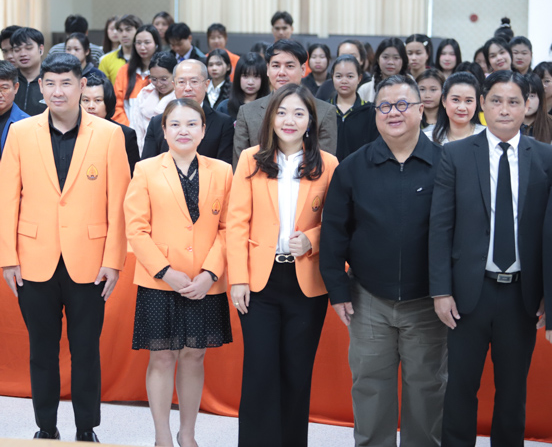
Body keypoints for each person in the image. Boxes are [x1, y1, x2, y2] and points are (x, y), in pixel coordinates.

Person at [0, 53, 130, 442]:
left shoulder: (109, 134)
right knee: (41, 350)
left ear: (82, 86)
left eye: (66, 83)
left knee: (86, 349)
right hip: (33, 259)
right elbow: (8, 199)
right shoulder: (21, 132)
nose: (58, 91)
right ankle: (46, 427)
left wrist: (113, 261)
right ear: (40, 87)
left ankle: (86, 428)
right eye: (50, 83)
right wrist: (8, 258)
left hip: (90, 261)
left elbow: (118, 204)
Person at [321, 74, 446, 447]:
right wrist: (338, 290)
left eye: (403, 104)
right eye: (385, 106)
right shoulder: (353, 167)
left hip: (428, 301)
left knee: (427, 387)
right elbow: (334, 232)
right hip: (368, 299)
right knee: (370, 387)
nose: (394, 112)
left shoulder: (446, 165)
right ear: (375, 112)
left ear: (421, 110)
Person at [429, 70, 552, 447]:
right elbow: (440, 226)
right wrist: (440, 291)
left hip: (521, 295)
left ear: (527, 106)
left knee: (513, 392)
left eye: (514, 102)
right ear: (482, 103)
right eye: (496, 101)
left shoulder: (545, 157)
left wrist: (548, 295)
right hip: (469, 292)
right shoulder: (456, 154)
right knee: (460, 388)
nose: (504, 109)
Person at [228, 84, 338, 447]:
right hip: (260, 281)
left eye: (299, 113)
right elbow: (236, 222)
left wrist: (312, 239)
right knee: (259, 372)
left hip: (306, 282)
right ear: (271, 117)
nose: (289, 120)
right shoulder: (251, 159)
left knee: (296, 373)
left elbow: (339, 222)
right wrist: (238, 279)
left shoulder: (328, 164)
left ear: (311, 121)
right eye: (282, 112)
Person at [125, 98, 233, 447]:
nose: (183, 130)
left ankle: (188, 435)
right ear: (163, 130)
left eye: (191, 124)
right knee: (162, 356)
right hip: (160, 281)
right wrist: (164, 271)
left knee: (194, 355)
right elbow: (136, 229)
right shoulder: (145, 169)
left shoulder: (222, 171)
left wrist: (210, 273)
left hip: (204, 281)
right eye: (175, 124)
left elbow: (229, 228)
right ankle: (162, 437)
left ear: (203, 131)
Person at [233, 40, 337, 168]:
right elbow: (240, 168)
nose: (282, 72)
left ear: (303, 69)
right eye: (276, 66)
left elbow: (325, 167)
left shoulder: (325, 112)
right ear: (267, 69)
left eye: (290, 66)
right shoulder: (247, 112)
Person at [142, 60, 234, 164]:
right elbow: (148, 165)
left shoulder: (223, 123)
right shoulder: (157, 123)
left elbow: (225, 166)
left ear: (206, 85)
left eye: (194, 81)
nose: (188, 88)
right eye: (181, 82)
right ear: (174, 85)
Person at [82, 73, 140, 176]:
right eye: (86, 100)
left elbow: (132, 176)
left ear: (108, 102)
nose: (91, 106)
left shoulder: (125, 134)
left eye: (98, 100)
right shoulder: (69, 131)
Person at [328, 55, 379, 161]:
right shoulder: (324, 110)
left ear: (359, 78)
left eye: (350, 76)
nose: (344, 81)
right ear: (332, 77)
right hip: (328, 169)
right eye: (339, 76)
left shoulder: (370, 111)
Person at [129, 51, 178, 152]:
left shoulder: (181, 97)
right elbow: (136, 128)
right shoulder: (144, 94)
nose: (159, 84)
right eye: (154, 79)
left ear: (175, 75)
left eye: (164, 79)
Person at [113, 25, 161, 126]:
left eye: (147, 42)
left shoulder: (163, 72)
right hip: (128, 129)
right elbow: (117, 105)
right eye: (138, 43)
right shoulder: (124, 71)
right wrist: (129, 129)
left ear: (156, 44)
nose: (142, 47)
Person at [424, 72, 484, 145]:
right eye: (455, 100)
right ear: (444, 100)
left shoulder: (487, 137)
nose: (462, 108)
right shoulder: (428, 139)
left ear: (477, 102)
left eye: (468, 101)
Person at [216, 52, 270, 122]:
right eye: (245, 76)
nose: (250, 82)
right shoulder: (224, 108)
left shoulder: (271, 107)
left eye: (256, 76)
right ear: (238, 77)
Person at [357, 37, 409, 103]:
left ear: (403, 61)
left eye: (396, 58)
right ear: (378, 59)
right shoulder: (365, 90)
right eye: (385, 57)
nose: (390, 62)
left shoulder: (412, 87)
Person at [9, 27, 47, 116]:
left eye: (29, 48)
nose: (23, 54)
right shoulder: (8, 80)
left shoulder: (51, 80)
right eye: (17, 50)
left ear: (41, 49)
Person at [99, 14, 142, 84]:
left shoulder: (145, 58)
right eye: (120, 30)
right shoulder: (106, 60)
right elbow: (102, 88)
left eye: (128, 30)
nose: (124, 34)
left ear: (138, 31)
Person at [522, 72, 552, 144]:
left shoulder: (550, 123)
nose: (527, 101)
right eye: (524, 96)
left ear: (540, 98)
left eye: (532, 96)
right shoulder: (509, 122)